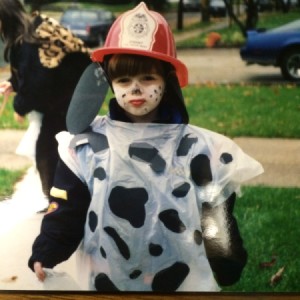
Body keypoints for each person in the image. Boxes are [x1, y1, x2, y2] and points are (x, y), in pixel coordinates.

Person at [28, 2, 263, 291]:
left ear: (167, 79)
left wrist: (226, 258)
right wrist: (46, 250)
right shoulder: (87, 148)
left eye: (148, 77)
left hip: (182, 279)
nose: (135, 88)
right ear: (109, 83)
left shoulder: (196, 150)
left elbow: (213, 210)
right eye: (123, 79)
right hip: (109, 278)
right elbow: (68, 209)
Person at [0, 0, 91, 202]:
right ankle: (61, 200)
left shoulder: (28, 42)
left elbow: (36, 85)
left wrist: (19, 107)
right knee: (56, 152)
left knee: (49, 155)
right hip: (75, 94)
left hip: (69, 101)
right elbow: (36, 70)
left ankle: (59, 204)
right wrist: (13, 84)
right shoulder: (34, 27)